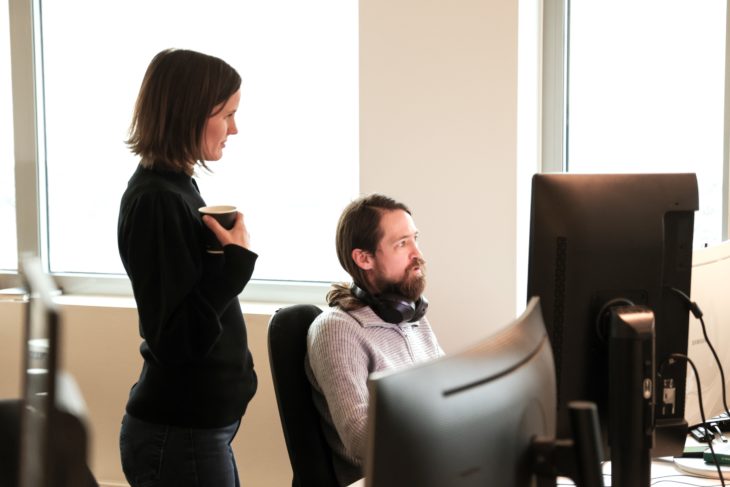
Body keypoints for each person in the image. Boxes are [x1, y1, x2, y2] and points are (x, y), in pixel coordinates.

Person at [117, 48, 257, 487]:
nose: (234, 128)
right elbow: (175, 340)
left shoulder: (179, 190)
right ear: (190, 113)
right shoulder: (157, 200)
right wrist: (231, 271)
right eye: (227, 115)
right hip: (180, 436)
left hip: (198, 434)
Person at [305, 194, 444, 486]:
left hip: (431, 468)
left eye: (414, 238)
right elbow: (360, 436)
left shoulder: (410, 315)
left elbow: (447, 390)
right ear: (364, 258)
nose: (417, 253)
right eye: (401, 243)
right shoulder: (338, 330)